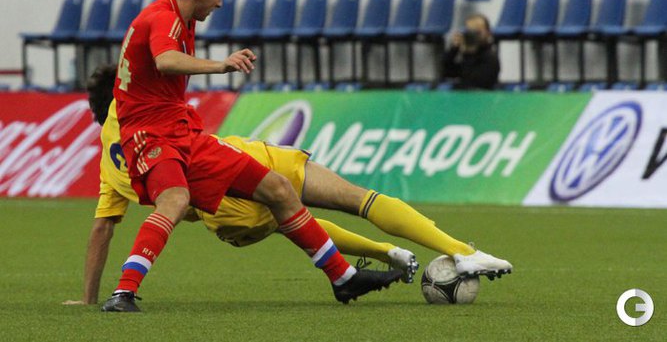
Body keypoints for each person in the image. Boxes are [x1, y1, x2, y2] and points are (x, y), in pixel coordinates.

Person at [102, 0, 403, 312]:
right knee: (175, 200)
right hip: (149, 135)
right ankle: (123, 293)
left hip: (181, 131)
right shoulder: (164, 18)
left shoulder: (179, 17)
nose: (220, 4)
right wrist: (221, 66)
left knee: (278, 188)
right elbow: (165, 60)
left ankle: (343, 277)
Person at [76, 64, 512, 306]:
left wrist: (88, 299)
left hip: (224, 212)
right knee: (357, 199)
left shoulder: (111, 168)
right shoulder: (136, 107)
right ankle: (460, 251)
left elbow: (101, 229)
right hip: (242, 164)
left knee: (295, 222)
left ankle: (387, 253)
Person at [441, 13, 500, 90]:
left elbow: (477, 84)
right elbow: (447, 73)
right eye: (470, 32)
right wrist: (454, 49)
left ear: (488, 33)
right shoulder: (465, 54)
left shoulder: (490, 57)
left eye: (478, 32)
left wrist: (469, 54)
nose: (473, 35)